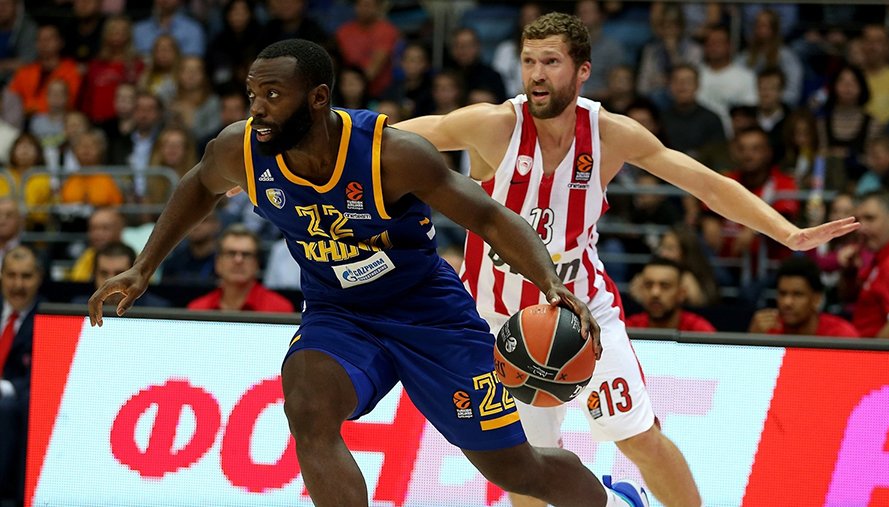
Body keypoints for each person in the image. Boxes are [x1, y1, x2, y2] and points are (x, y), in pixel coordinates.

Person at [88, 39, 650, 507]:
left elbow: (487, 216)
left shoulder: (391, 155)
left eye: (273, 95)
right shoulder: (242, 149)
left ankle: (615, 500)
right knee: (307, 404)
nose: (257, 108)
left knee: (514, 468)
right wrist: (144, 266)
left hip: (429, 313)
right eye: (253, 94)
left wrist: (550, 282)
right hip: (339, 314)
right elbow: (197, 186)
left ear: (318, 98)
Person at [395, 12, 858, 507]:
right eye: (529, 61)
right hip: (501, 320)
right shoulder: (493, 125)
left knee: (639, 438)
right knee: (526, 468)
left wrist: (787, 233)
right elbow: (384, 139)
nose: (536, 74)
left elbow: (706, 184)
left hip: (583, 314)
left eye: (551, 62)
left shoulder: (610, 134)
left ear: (583, 70)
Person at [0, 245, 42, 506]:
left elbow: (41, 373)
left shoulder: (47, 317)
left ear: (39, 277)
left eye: (26, 276)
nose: (18, 285)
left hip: (16, 398)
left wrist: (5, 387)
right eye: (11, 275)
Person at [186, 224, 294, 312]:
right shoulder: (198, 309)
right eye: (231, 253)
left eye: (246, 254)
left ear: (257, 263)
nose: (238, 260)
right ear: (218, 262)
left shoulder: (279, 309)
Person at [748, 256, 858, 337]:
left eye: (797, 294)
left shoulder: (840, 335)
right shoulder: (767, 331)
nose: (787, 302)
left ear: (816, 299)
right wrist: (754, 339)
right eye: (782, 293)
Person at [840, 190, 889, 338]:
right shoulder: (882, 258)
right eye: (859, 220)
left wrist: (868, 352)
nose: (862, 228)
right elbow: (850, 298)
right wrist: (849, 272)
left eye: (870, 218)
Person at [625, 257, 716, 332]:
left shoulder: (699, 330)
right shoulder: (627, 329)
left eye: (665, 286)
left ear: (681, 293)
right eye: (648, 285)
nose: (655, 293)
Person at [71, 241, 170, 307]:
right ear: (94, 275)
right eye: (104, 274)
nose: (110, 282)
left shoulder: (158, 309)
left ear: (133, 276)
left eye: (119, 274)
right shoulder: (77, 308)